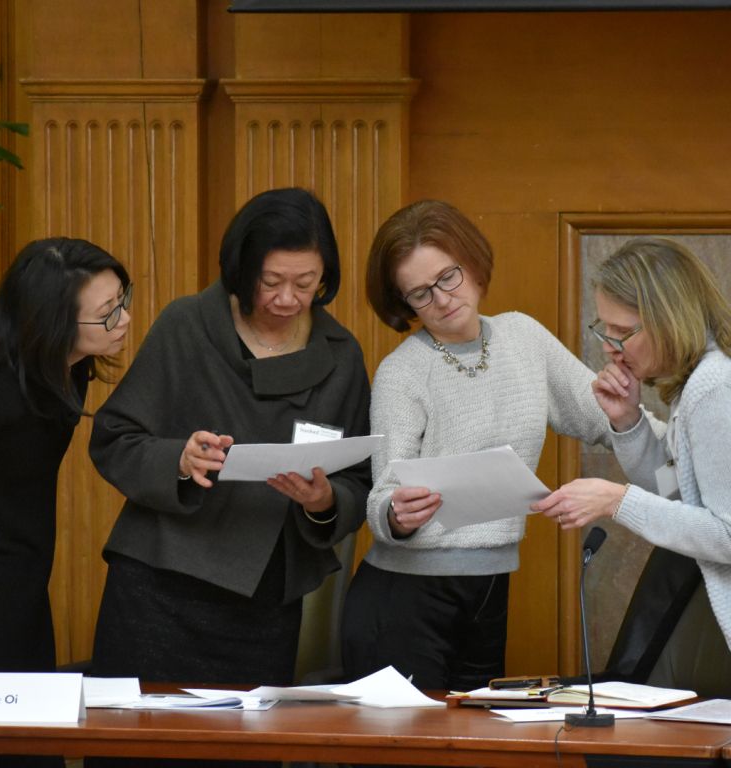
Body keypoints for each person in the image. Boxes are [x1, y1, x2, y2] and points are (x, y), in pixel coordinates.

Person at [88, 188, 371, 698]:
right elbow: (115, 437)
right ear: (243, 270)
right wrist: (177, 458)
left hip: (265, 599)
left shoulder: (342, 355)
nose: (288, 299)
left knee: (246, 748)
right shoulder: (187, 325)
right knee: (139, 748)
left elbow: (359, 479)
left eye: (305, 283)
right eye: (272, 282)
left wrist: (325, 501)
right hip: (159, 584)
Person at [341, 199, 612, 692]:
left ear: (472, 263)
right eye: (420, 294)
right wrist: (398, 514)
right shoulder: (402, 372)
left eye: (449, 276)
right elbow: (382, 500)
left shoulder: (524, 338)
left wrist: (680, 439)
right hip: (404, 600)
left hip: (489, 591)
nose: (443, 299)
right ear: (404, 305)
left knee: (473, 748)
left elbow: (606, 416)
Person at [0, 237, 131, 767]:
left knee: (33, 740)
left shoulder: (67, 366)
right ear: (55, 325)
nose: (123, 321)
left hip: (25, 576)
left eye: (121, 301)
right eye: (105, 315)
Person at [532, 236, 731, 652]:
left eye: (623, 332)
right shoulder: (697, 381)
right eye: (605, 329)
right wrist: (628, 421)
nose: (608, 347)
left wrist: (617, 501)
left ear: (670, 321)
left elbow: (728, 534)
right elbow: (681, 497)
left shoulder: (714, 387)